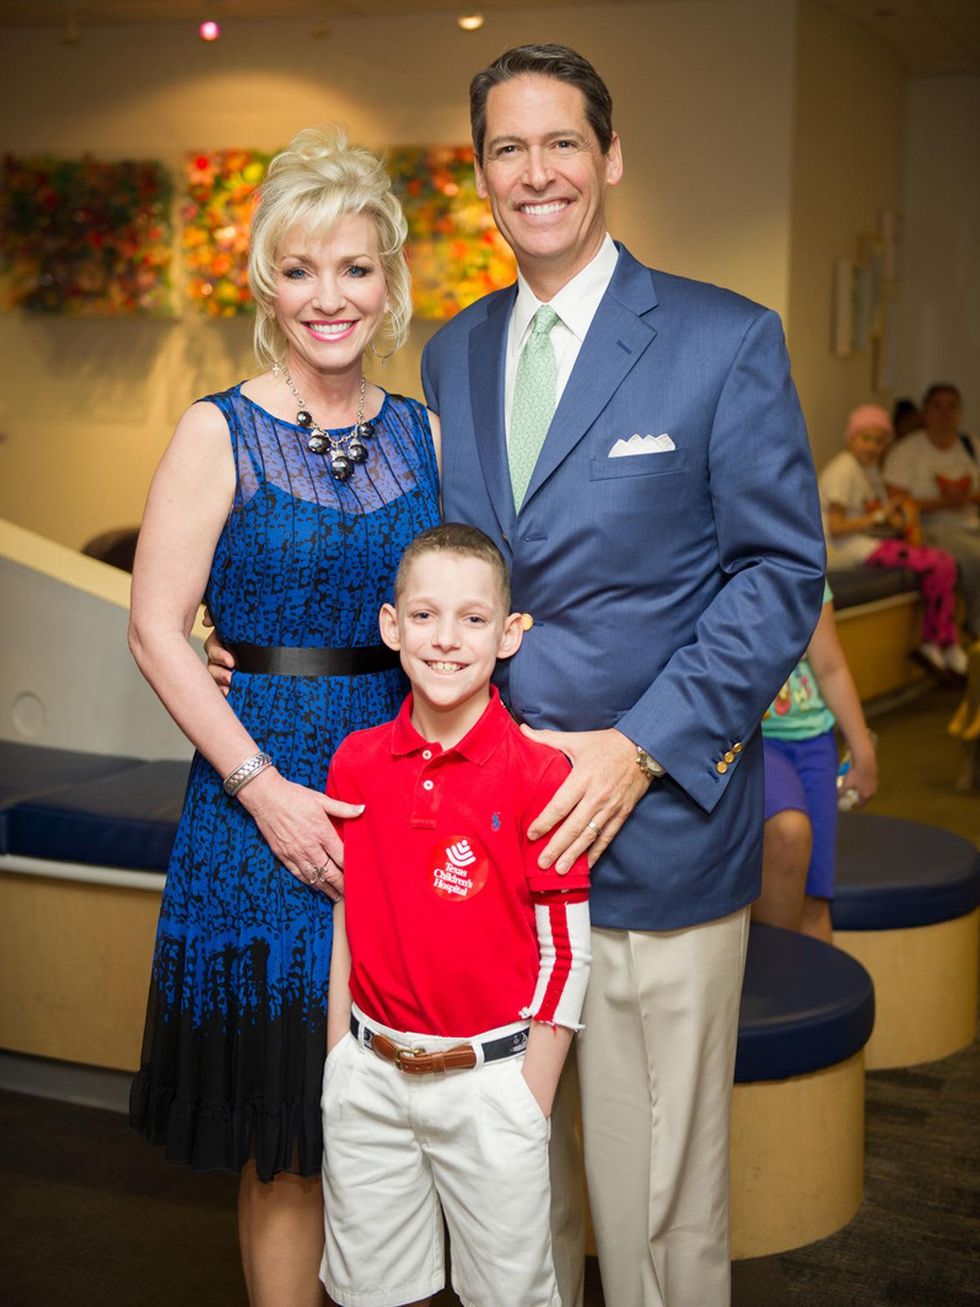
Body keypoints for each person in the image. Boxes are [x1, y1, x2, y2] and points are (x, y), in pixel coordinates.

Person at [420, 43, 826, 1307]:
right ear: (478, 172)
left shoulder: (722, 339)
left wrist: (640, 741)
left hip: (653, 833)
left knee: (655, 1213)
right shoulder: (450, 352)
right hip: (488, 852)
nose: (534, 171)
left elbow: (776, 575)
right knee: (507, 1194)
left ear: (609, 156)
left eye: (560, 143)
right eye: (505, 147)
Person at [128, 127, 440, 1306]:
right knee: (288, 1129)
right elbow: (159, 629)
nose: (329, 297)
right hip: (256, 814)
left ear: (390, 283)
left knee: (396, 1119)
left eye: (354, 269)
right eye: (301, 269)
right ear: (265, 281)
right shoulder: (217, 431)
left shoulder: (426, 434)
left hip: (394, 798)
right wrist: (263, 786)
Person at [319, 523, 591, 1307]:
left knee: (507, 1297)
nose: (446, 639)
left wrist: (526, 1097)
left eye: (473, 619)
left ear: (509, 634)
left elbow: (567, 949)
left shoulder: (542, 773)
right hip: (369, 1077)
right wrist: (341, 1053)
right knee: (371, 1291)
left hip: (490, 1083)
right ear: (391, 625)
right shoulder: (357, 759)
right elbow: (350, 915)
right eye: (426, 615)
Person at [755, 584, 877, 942]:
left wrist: (861, 749)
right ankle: (778, 984)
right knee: (789, 834)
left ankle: (813, 990)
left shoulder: (808, 573)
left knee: (814, 897)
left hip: (815, 744)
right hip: (756, 741)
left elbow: (831, 666)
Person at [820, 402, 966, 677]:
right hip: (846, 547)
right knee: (938, 563)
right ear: (851, 438)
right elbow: (836, 527)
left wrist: (894, 519)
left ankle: (942, 640)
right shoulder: (843, 469)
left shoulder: (871, 470)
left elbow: (876, 510)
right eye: (865, 438)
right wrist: (878, 519)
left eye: (879, 440)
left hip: (868, 540)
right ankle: (937, 641)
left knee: (944, 562)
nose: (872, 446)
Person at [885, 383, 980, 639]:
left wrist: (967, 497)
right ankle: (975, 625)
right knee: (975, 555)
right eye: (937, 406)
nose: (944, 413)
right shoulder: (906, 450)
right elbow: (896, 500)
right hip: (930, 527)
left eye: (951, 406)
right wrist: (942, 502)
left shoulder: (971, 446)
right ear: (925, 411)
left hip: (970, 523)